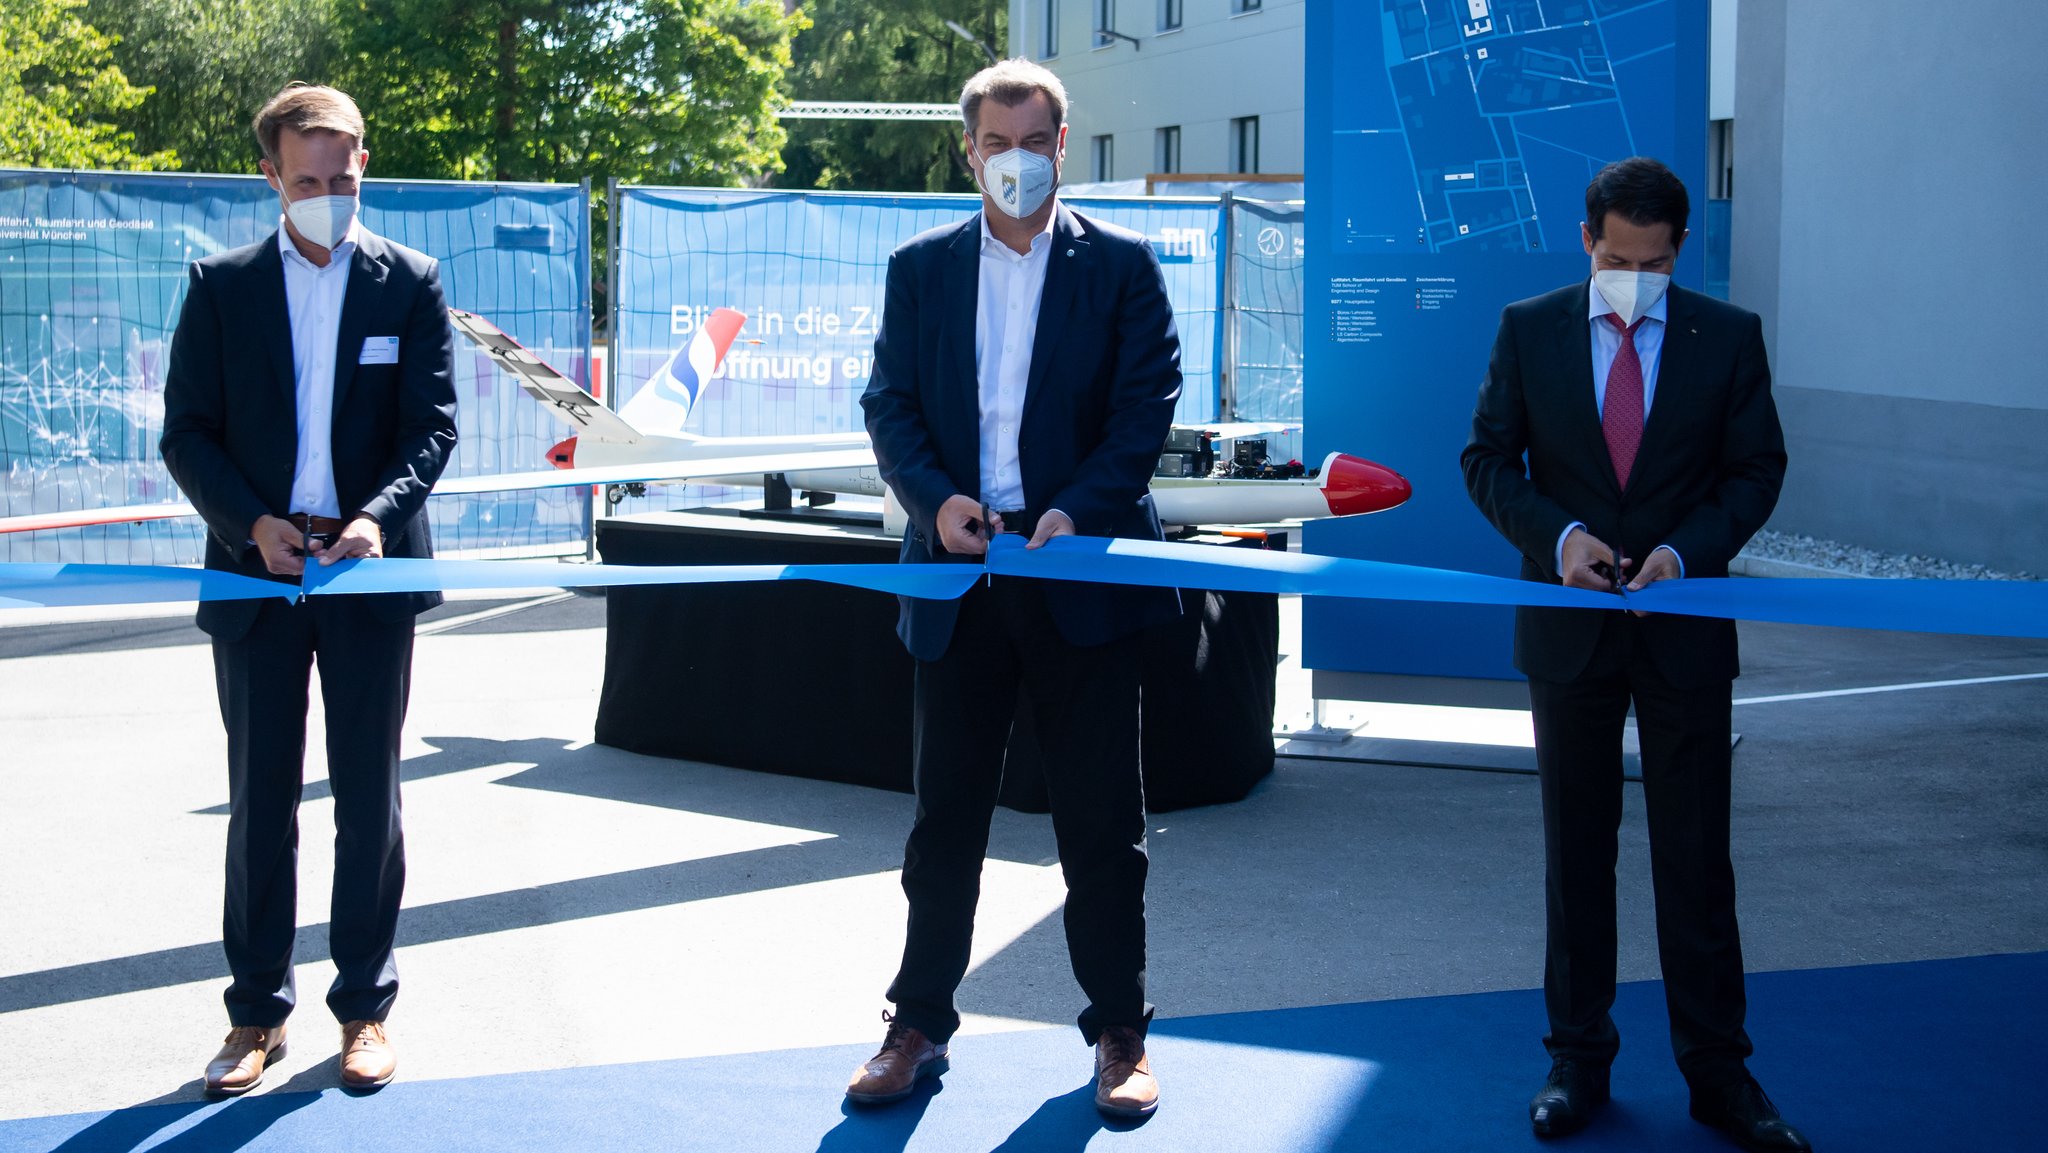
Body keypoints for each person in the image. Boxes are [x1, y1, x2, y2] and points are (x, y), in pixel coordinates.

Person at [852, 58, 1183, 1120]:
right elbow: (889, 406)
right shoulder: (919, 269)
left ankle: (1119, 1031)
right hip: (956, 580)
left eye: (1033, 143)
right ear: (969, 153)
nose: (1015, 163)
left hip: (1077, 576)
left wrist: (1076, 508)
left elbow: (1144, 408)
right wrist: (934, 500)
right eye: (995, 144)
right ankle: (915, 1024)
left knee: (1100, 825)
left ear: (1061, 146)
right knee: (943, 820)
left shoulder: (1122, 268)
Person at [1462, 157, 1810, 1152]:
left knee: (1697, 863)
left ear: (1678, 251)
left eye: (1651, 264)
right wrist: (1556, 537)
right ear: (1585, 242)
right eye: (1616, 259)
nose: (1633, 280)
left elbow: (1756, 469)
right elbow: (1485, 458)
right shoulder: (1528, 328)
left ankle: (1718, 1076)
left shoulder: (1725, 338)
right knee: (1576, 856)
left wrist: (1684, 552)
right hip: (1566, 636)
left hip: (1682, 636)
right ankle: (1575, 1061)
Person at [160, 83, 458, 1096]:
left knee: (369, 799)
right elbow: (186, 432)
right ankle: (255, 1017)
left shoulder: (409, 281)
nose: (327, 193)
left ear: (364, 162)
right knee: (261, 802)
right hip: (256, 575)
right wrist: (252, 524)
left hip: (370, 573)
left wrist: (374, 517)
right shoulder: (220, 285)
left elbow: (431, 429)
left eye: (342, 175)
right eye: (305, 180)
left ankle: (365, 1010)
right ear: (270, 178)